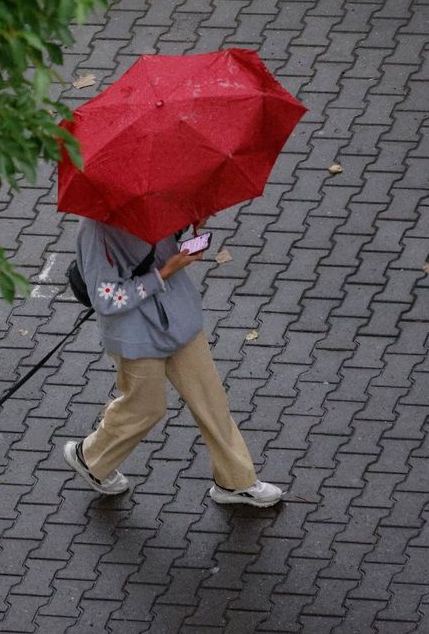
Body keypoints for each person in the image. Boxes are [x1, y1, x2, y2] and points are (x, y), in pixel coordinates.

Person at [62, 217, 283, 507]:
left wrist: (185, 226)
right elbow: (105, 299)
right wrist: (164, 272)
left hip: (179, 317)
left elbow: (160, 246)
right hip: (135, 335)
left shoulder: (153, 202)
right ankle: (90, 457)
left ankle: (237, 481)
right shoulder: (95, 232)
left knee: (211, 399)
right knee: (145, 409)